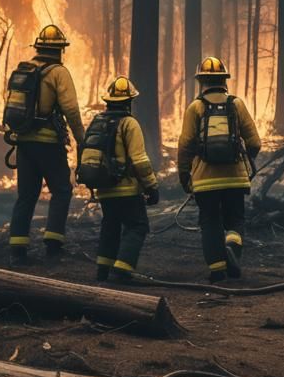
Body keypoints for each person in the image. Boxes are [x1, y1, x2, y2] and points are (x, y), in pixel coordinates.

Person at [177, 56, 261, 282]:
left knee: (210, 222)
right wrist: (243, 159)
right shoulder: (237, 105)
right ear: (224, 80)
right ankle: (232, 245)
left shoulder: (195, 107)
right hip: (235, 178)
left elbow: (185, 145)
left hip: (205, 180)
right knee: (235, 219)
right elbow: (255, 142)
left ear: (201, 82)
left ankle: (217, 270)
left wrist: (185, 175)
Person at [7, 24, 85, 264]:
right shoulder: (58, 73)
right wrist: (81, 138)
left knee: (26, 196)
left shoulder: (26, 70)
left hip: (24, 142)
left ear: (38, 47)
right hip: (49, 144)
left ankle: (18, 250)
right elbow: (70, 108)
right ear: (61, 50)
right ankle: (53, 244)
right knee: (62, 190)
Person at [79, 75, 160, 284]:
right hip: (126, 189)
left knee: (110, 227)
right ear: (129, 102)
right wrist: (151, 186)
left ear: (108, 101)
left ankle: (102, 271)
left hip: (105, 189)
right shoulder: (129, 123)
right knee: (137, 226)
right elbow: (140, 160)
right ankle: (122, 269)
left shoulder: (97, 121)